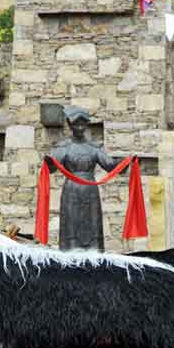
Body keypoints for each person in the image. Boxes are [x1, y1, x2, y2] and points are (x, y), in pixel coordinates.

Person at [46, 106, 123, 252]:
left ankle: (94, 249)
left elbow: (110, 165)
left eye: (83, 124)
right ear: (70, 125)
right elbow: (52, 167)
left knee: (92, 221)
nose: (80, 127)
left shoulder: (93, 147)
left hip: (90, 190)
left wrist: (125, 162)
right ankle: (70, 249)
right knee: (72, 222)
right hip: (72, 190)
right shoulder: (64, 147)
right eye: (76, 124)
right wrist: (48, 162)